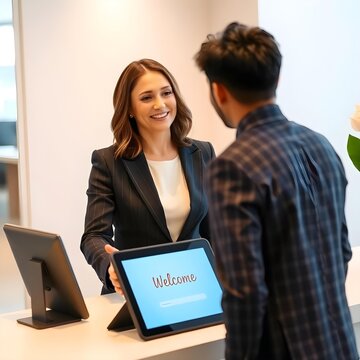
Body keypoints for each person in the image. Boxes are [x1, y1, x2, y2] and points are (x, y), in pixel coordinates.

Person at [195, 22, 359, 359]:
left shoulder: (231, 168)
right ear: (277, 78)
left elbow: (245, 292)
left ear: (219, 91)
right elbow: (341, 251)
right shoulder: (322, 146)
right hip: (339, 341)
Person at [81, 59, 215, 295]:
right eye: (146, 97)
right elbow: (94, 236)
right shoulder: (108, 162)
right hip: (138, 290)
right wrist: (110, 267)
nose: (160, 104)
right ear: (129, 108)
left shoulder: (203, 153)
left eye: (166, 93)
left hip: (196, 287)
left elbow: (214, 230)